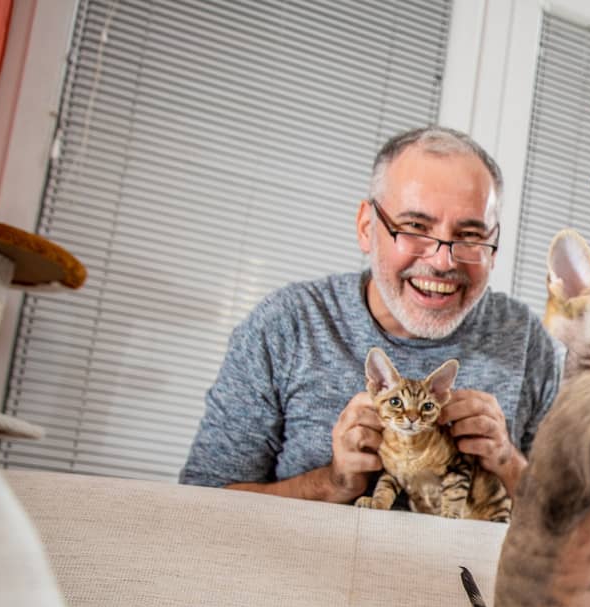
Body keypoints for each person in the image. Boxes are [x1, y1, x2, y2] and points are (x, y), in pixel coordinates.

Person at [180, 127, 564, 504]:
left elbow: (581, 529)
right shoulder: (287, 325)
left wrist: (508, 463)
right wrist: (330, 484)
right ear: (367, 227)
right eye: (415, 226)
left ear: (493, 249)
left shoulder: (528, 342)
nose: (442, 261)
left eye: (470, 235)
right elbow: (200, 502)